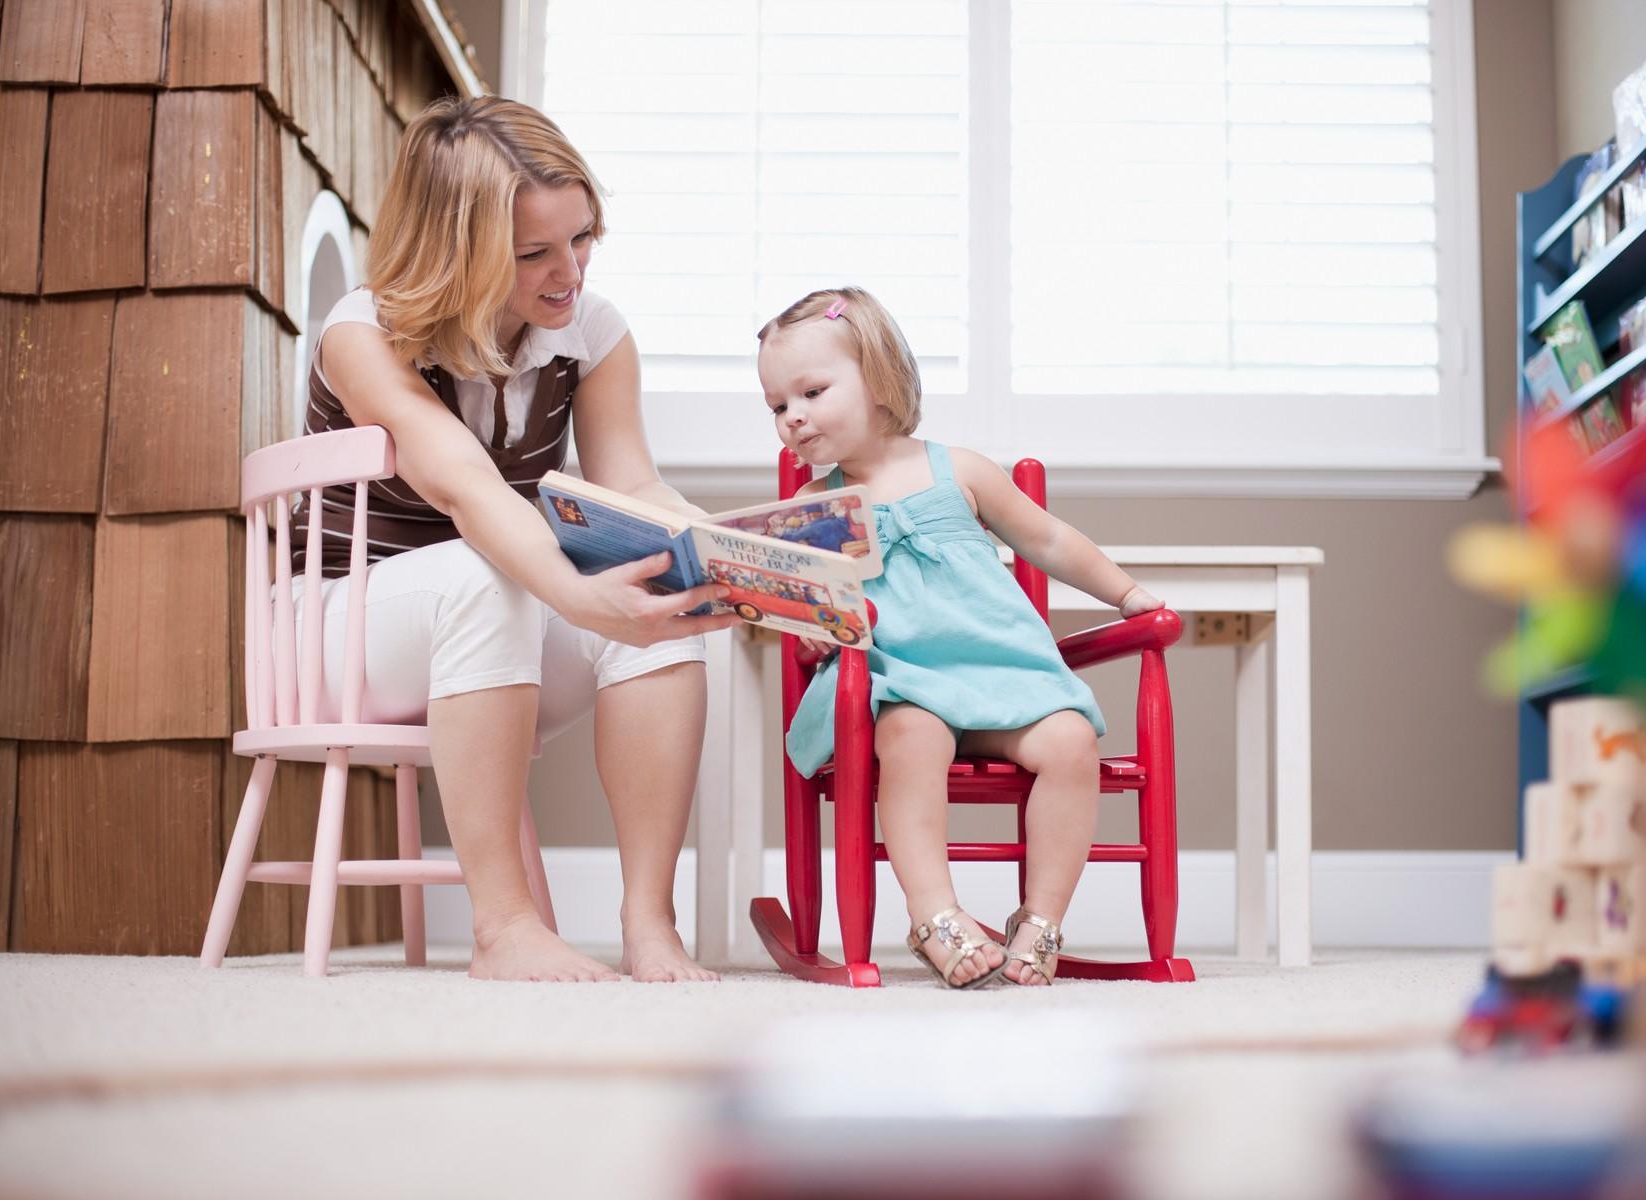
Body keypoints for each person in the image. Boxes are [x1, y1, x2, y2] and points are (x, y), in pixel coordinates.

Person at [304, 96, 739, 983]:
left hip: (492, 631)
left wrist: (738, 555)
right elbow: (465, 491)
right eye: (533, 253)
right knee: (486, 569)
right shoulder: (364, 335)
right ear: (454, 254)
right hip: (345, 629)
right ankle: (502, 926)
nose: (569, 272)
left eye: (582, 238)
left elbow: (633, 486)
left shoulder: (592, 333)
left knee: (653, 587)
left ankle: (649, 925)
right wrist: (573, 593)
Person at [756, 287, 1164, 987]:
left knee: (1070, 740)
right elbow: (805, 615)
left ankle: (1040, 919)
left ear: (879, 378)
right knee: (913, 737)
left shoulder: (961, 470)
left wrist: (1127, 594)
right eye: (777, 406)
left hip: (1001, 676)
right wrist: (814, 635)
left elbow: (1049, 539)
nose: (793, 417)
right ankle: (935, 914)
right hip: (904, 684)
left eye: (811, 392)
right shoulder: (810, 507)